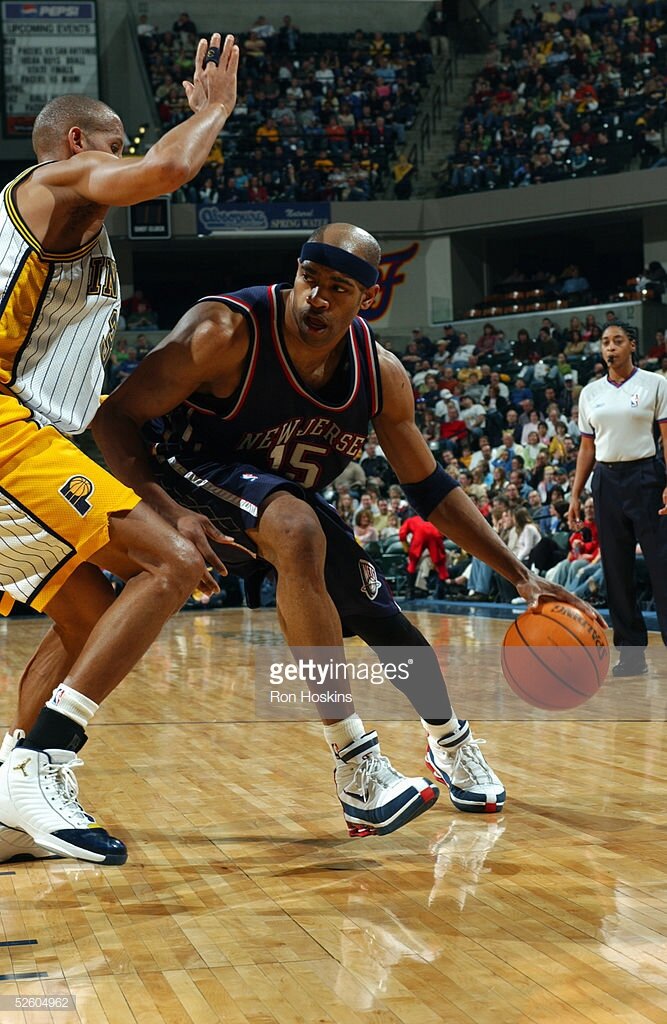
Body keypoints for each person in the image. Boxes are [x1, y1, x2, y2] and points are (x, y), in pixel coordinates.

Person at [95, 223, 605, 838]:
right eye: (311, 279)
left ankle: (449, 743)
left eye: (339, 288)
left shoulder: (380, 375)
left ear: (367, 299)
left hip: (278, 500)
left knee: (384, 618)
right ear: (297, 273)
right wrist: (164, 511)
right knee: (296, 526)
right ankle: (355, 762)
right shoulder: (225, 331)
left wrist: (522, 577)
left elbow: (432, 489)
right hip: (183, 476)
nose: (318, 298)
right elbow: (114, 415)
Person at [0, 33, 240, 865]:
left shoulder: (53, 219)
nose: (122, 157)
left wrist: (163, 495)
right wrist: (211, 112)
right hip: (5, 432)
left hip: (36, 437)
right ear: (77, 144)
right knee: (169, 565)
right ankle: (42, 764)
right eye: (113, 145)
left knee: (91, 617)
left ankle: (12, 805)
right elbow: (168, 172)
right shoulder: (57, 181)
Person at [568, 322, 667, 677]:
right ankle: (631, 655)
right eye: (605, 342)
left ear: (631, 345)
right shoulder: (590, 393)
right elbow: (586, 447)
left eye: (617, 341)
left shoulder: (656, 383)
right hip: (606, 481)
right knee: (616, 571)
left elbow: (666, 437)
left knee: (661, 565)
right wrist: (576, 494)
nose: (610, 348)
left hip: (646, 477)